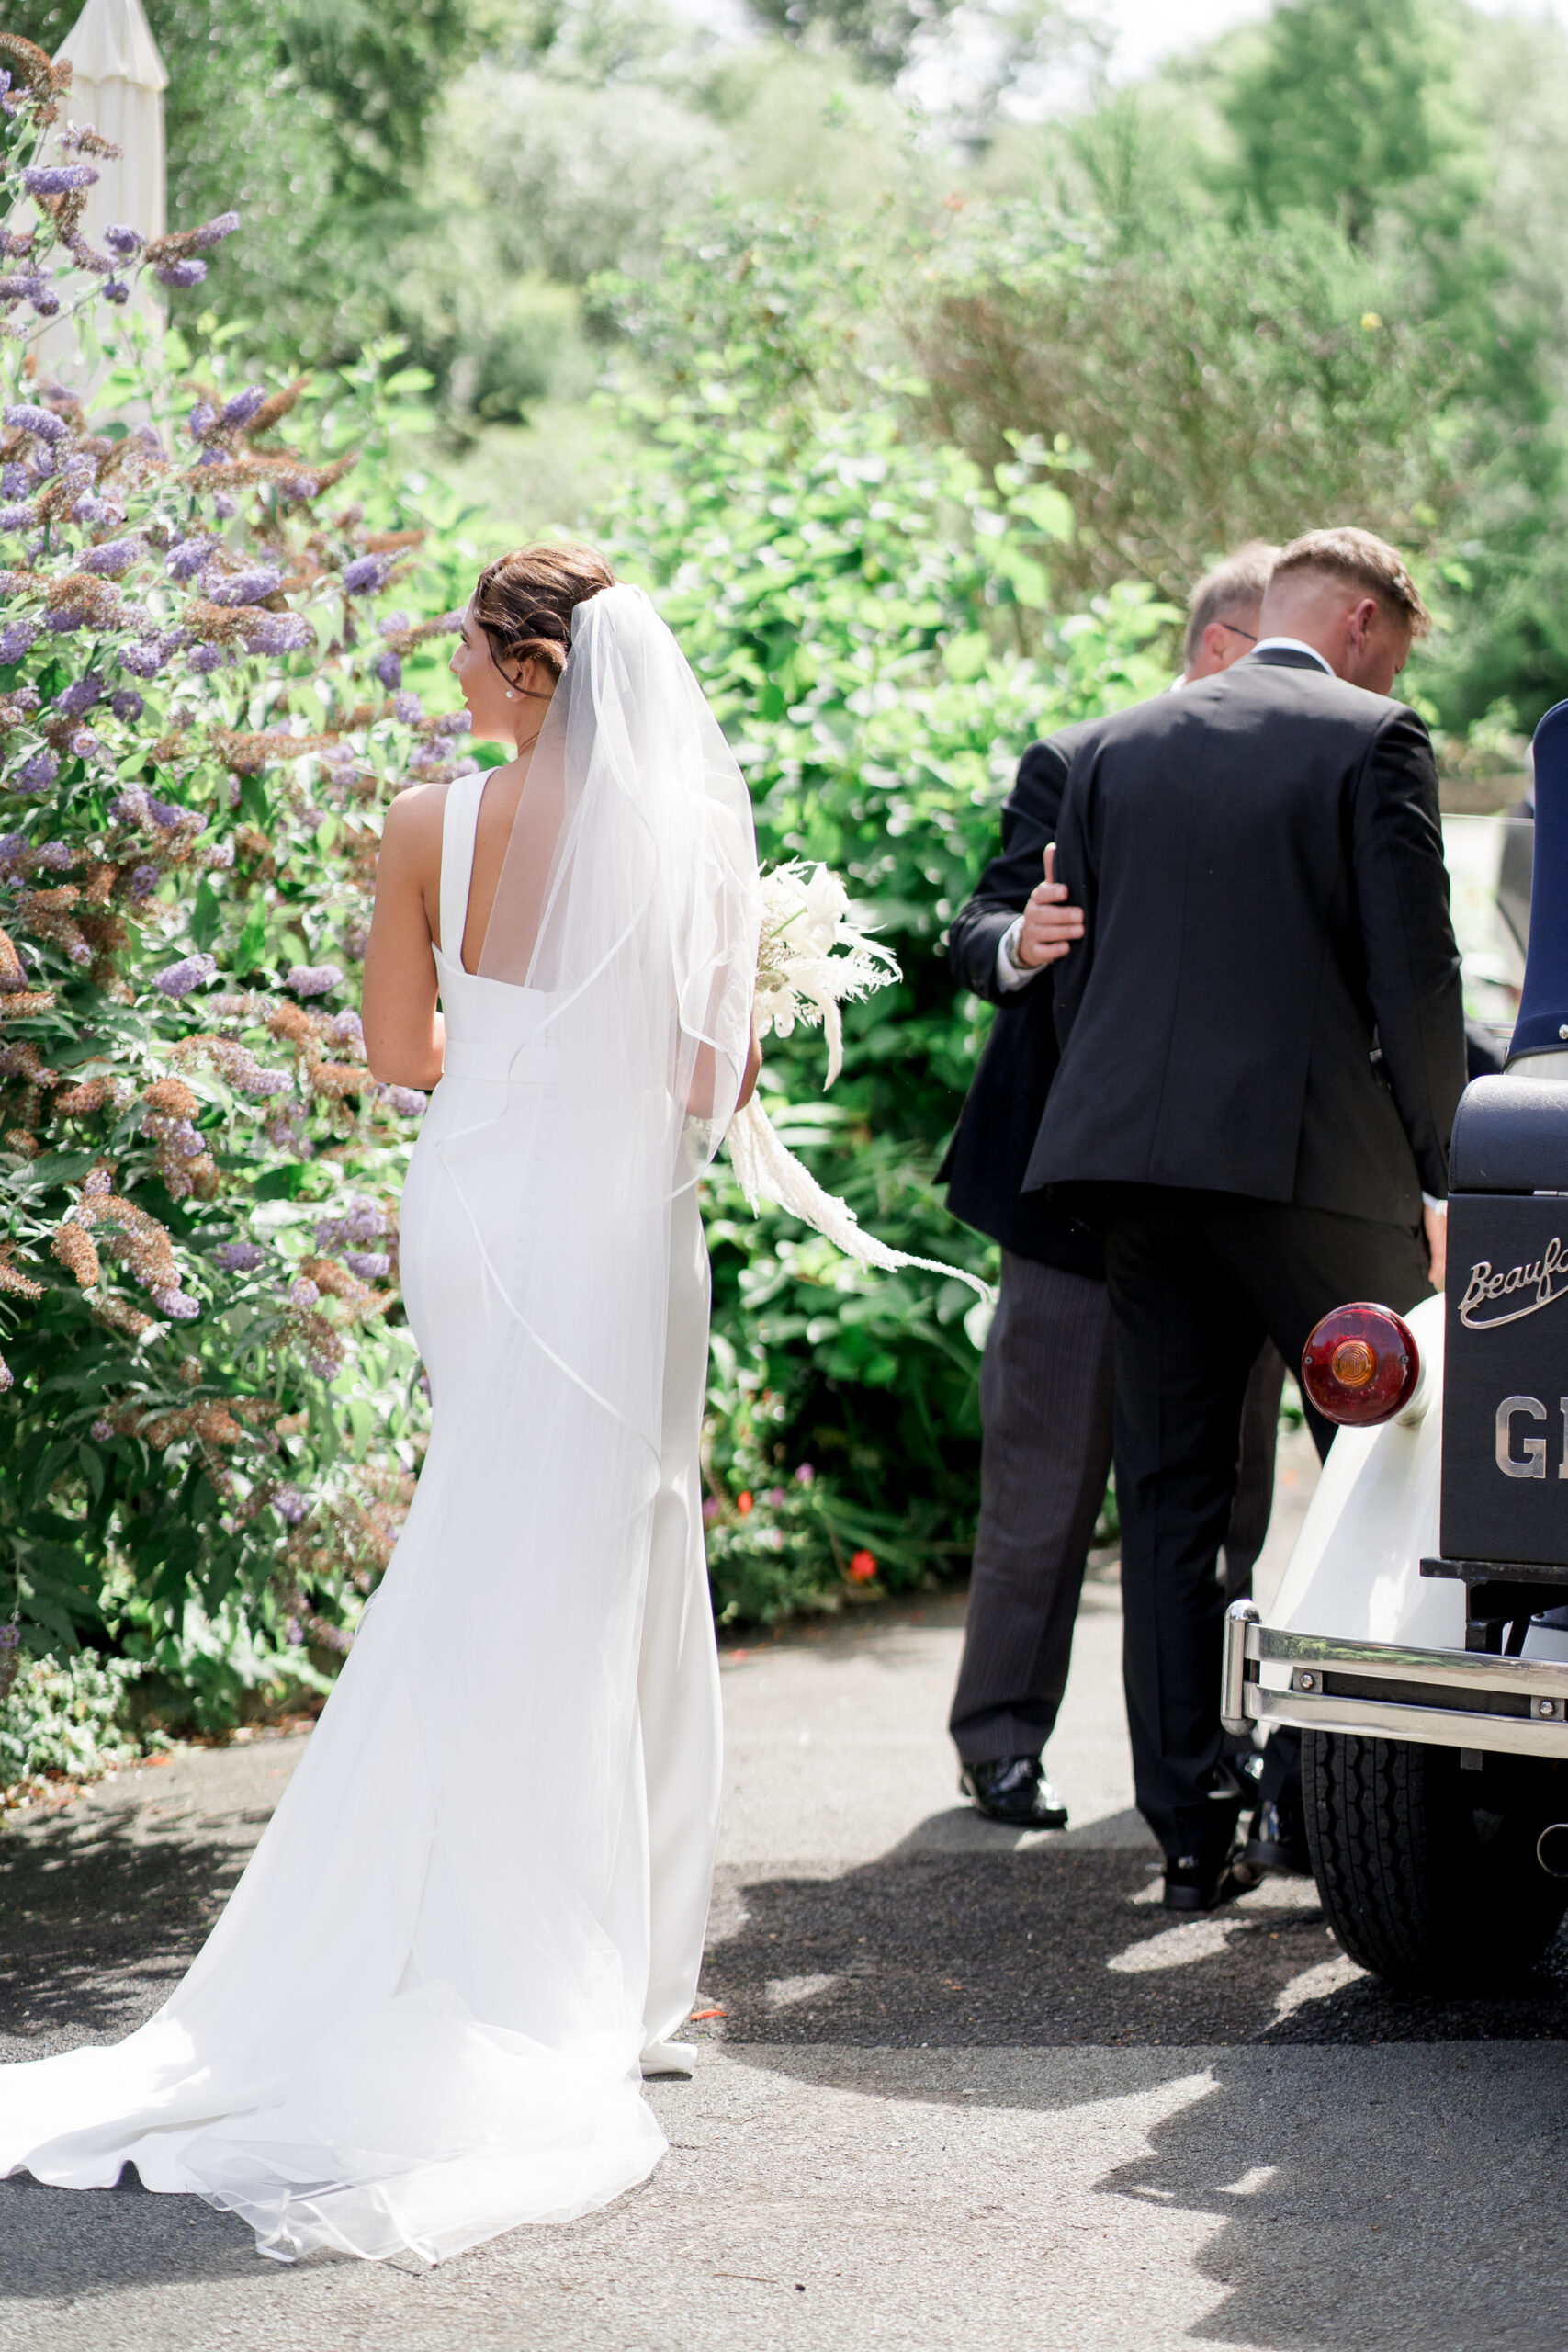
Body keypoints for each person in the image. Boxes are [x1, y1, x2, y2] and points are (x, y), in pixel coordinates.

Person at [0, 549, 763, 2262]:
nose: (459, 687)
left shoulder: (434, 825)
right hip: (618, 1227)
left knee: (485, 1531)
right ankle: (615, 1973)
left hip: (476, 1212)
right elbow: (709, 1081)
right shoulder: (696, 837)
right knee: (616, 1555)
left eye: (474, 660)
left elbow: (407, 1055)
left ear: (534, 670)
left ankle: (451, 1936)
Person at [1031, 527, 1466, 1911]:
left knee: (1166, 1495)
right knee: (1392, 1471)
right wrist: (1449, 1177)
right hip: (1311, 1172)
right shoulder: (1375, 741)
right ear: (1357, 622)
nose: (1400, 667)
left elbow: (1070, 979)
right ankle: (1338, 1802)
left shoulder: (1114, 747)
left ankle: (1188, 1825)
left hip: (1137, 1176)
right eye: (1399, 639)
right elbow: (1416, 986)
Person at [942, 546, 1285, 1834]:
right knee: (1042, 1492)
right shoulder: (1075, 762)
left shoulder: (1309, 779)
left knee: (1223, 1506)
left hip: (1236, 1206)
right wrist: (1022, 945)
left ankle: (1208, 1758)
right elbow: (973, 933)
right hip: (1072, 1204)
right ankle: (1001, 1742)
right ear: (1217, 650)